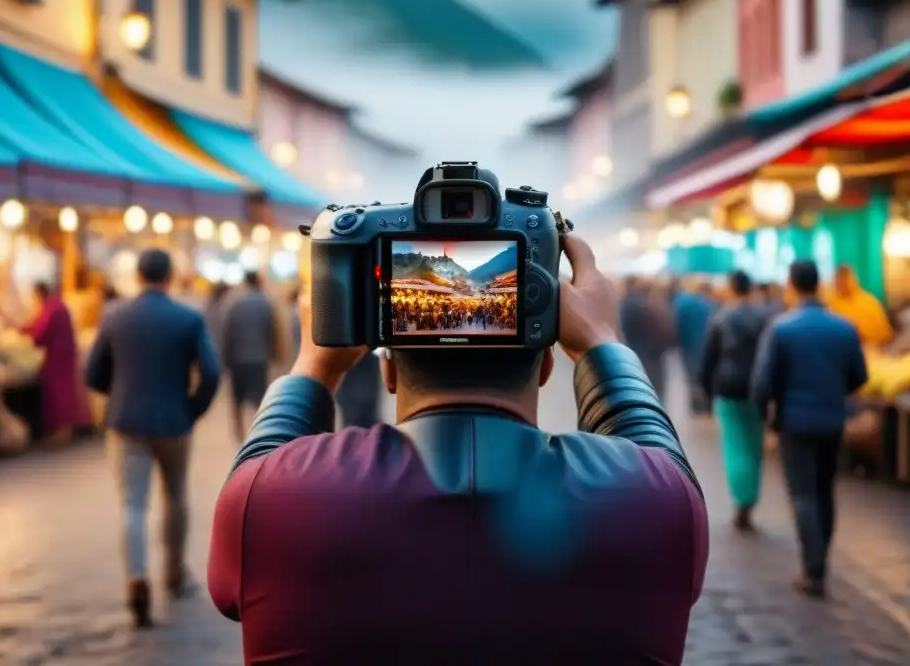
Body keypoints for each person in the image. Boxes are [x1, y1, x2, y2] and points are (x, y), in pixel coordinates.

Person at [208, 234, 708, 664]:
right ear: (546, 368)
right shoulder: (658, 504)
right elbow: (651, 443)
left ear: (386, 370)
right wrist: (601, 341)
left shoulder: (269, 501)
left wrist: (315, 365)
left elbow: (243, 521)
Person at [85, 249, 220, 628]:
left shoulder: (114, 316)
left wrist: (119, 393)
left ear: (138, 275)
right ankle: (174, 574)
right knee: (175, 495)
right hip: (174, 421)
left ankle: (137, 577)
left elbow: (92, 373)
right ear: (171, 276)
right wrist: (192, 410)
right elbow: (210, 373)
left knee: (133, 504)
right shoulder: (188, 319)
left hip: (126, 422)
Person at [751, 260, 867, 598]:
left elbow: (762, 383)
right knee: (824, 490)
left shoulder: (782, 328)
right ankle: (820, 560)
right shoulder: (844, 328)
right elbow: (859, 376)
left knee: (802, 494)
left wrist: (769, 418)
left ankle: (813, 567)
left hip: (794, 423)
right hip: (832, 421)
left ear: (791, 283)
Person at [700, 270, 770, 531]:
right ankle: (751, 498)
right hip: (757, 391)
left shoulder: (720, 318)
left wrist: (707, 391)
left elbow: (708, 360)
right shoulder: (765, 317)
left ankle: (742, 499)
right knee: (754, 445)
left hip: (727, 390)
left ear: (731, 288)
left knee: (734, 445)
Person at [24, 283, 91, 445]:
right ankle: (67, 429)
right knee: (66, 392)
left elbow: (40, 334)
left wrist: (25, 333)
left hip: (57, 357)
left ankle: (60, 432)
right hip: (65, 355)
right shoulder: (58, 306)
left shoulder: (51, 309)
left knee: (56, 394)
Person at [220, 271, 279, 441]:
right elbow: (272, 330)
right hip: (259, 358)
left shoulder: (236, 304)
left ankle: (239, 431)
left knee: (237, 397)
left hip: (238, 358)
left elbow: (229, 333)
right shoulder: (265, 303)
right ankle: (260, 430)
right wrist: (273, 353)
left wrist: (226, 358)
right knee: (260, 397)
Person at [620, 277, 672, 398]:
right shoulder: (649, 308)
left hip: (636, 352)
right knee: (655, 389)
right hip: (651, 355)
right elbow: (664, 332)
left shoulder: (627, 304)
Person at [674, 281, 716, 414]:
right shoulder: (710, 306)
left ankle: (696, 405)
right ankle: (705, 404)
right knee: (705, 374)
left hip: (688, 345)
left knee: (692, 377)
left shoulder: (684, 305)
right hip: (705, 346)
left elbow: (677, 324)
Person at [826, 264, 892, 347]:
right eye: (838, 280)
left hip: (872, 349)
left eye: (845, 279)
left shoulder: (870, 302)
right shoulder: (830, 305)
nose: (842, 283)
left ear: (853, 279)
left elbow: (885, 335)